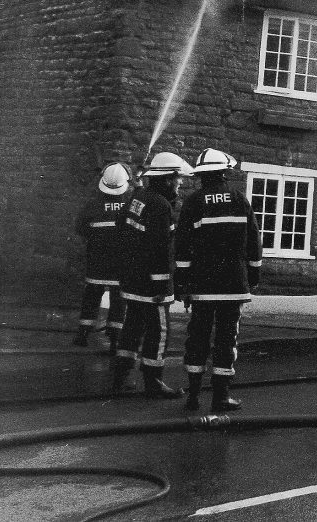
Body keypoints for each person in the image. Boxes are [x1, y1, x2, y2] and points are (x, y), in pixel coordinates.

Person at [175, 148, 262, 412]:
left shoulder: (194, 201)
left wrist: (182, 282)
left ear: (202, 176)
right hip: (233, 285)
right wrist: (253, 275)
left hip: (202, 285)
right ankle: (221, 396)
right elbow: (254, 243)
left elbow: (182, 246)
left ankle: (192, 396)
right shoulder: (240, 199)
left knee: (197, 336)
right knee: (226, 339)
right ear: (225, 173)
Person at [112, 151, 193, 398]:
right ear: (167, 179)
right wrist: (162, 285)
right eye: (178, 179)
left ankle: (121, 376)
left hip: (133, 279)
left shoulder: (138, 197)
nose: (180, 184)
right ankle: (153, 381)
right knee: (159, 332)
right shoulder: (160, 206)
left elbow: (121, 231)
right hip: (152, 284)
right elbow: (161, 249)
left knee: (132, 327)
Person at [71, 162, 133, 353]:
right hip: (121, 262)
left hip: (97, 259)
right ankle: (115, 339)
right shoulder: (130, 205)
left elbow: (80, 228)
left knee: (91, 295)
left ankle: (83, 333)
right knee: (118, 299)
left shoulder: (93, 205)